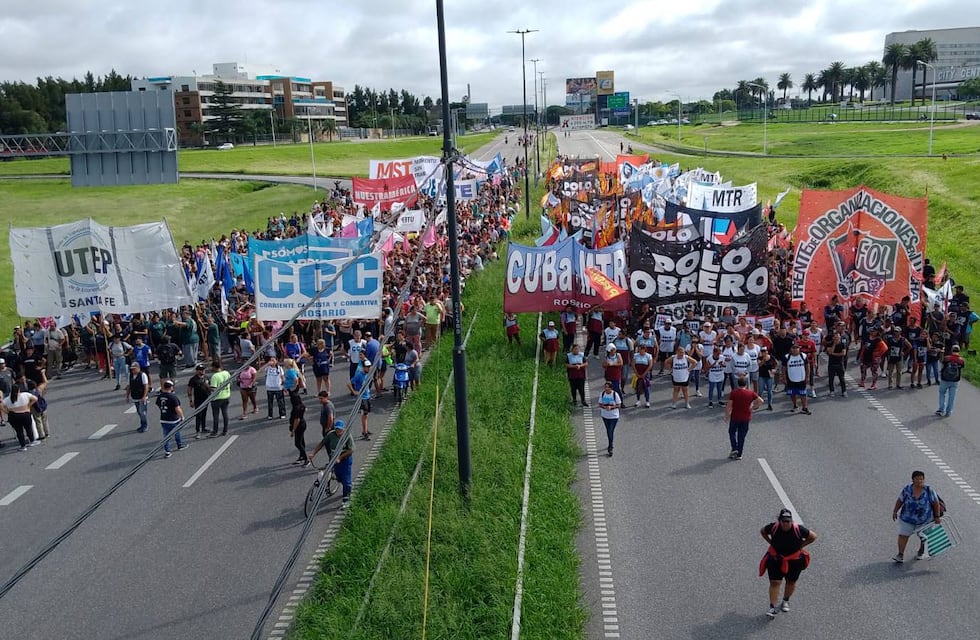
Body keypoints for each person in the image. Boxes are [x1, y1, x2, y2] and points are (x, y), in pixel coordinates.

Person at [760, 509, 817, 618]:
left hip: (794, 561)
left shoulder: (798, 529)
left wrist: (801, 545)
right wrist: (770, 542)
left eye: (788, 521)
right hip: (776, 559)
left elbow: (813, 536)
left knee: (791, 582)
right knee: (775, 582)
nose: (786, 523)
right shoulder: (773, 527)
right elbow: (762, 531)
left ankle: (785, 600)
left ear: (791, 521)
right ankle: (772, 607)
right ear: (779, 521)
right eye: (784, 521)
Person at [892, 470, 942, 562]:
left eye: (921, 479)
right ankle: (900, 554)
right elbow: (900, 500)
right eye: (917, 479)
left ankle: (921, 551)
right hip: (907, 519)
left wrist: (937, 516)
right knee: (903, 535)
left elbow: (936, 503)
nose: (920, 481)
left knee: (924, 537)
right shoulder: (907, 489)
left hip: (924, 520)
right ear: (913, 480)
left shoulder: (928, 490)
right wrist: (895, 511)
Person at [309, 419, 354, 509]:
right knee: (338, 477)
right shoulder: (331, 435)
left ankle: (346, 500)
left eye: (340, 429)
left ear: (344, 429)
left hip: (345, 460)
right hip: (334, 459)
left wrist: (340, 458)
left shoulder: (347, 436)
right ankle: (343, 484)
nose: (338, 431)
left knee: (346, 481)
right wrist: (313, 453)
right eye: (337, 429)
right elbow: (322, 443)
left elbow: (351, 450)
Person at [726, 377, 764, 460]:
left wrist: (727, 415)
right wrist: (754, 407)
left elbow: (729, 405)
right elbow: (761, 401)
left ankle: (734, 447)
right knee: (741, 435)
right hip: (746, 417)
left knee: (732, 432)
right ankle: (739, 454)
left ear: (737, 384)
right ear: (746, 384)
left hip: (735, 416)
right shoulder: (750, 393)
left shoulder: (734, 393)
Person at [155, 379, 188, 459]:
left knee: (166, 436)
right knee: (177, 432)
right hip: (173, 419)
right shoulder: (172, 397)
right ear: (171, 387)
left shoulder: (161, 396)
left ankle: (167, 451)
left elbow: (158, 404)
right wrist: (182, 416)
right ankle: (179, 445)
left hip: (163, 418)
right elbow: (177, 408)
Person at [1, 383, 39, 451]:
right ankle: (32, 441)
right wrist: (28, 406)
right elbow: (35, 399)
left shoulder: (8, 399)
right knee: (28, 428)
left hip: (14, 416)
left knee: (19, 431)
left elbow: (1, 405)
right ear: (19, 390)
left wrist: (7, 411)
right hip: (25, 414)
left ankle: (23, 446)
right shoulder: (25, 395)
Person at [936, 344, 964, 417]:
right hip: (955, 380)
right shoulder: (961, 360)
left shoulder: (946, 358)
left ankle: (941, 409)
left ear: (952, 350)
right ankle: (948, 412)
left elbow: (941, 362)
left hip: (945, 379)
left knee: (942, 393)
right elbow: (961, 368)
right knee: (952, 397)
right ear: (959, 351)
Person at [668, 345, 699, 409]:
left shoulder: (686, 357)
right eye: (681, 352)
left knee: (685, 391)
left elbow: (695, 362)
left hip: (684, 377)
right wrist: (670, 370)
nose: (682, 354)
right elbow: (666, 362)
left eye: (683, 352)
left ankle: (687, 403)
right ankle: (674, 403)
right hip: (676, 377)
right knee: (676, 390)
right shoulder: (673, 357)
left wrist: (689, 369)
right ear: (677, 352)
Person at [348, 363, 373, 440]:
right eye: (367, 367)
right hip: (362, 398)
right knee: (364, 415)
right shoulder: (359, 375)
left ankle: (365, 429)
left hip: (367, 396)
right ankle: (364, 433)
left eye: (369, 367)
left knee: (366, 414)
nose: (369, 369)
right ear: (364, 367)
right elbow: (349, 383)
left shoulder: (368, 374)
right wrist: (355, 392)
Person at [783, 344, 811, 415]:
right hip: (791, 379)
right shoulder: (787, 357)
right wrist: (784, 378)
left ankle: (805, 408)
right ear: (791, 349)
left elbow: (807, 367)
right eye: (793, 348)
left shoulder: (803, 356)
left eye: (797, 348)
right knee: (792, 394)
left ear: (799, 349)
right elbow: (783, 369)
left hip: (801, 379)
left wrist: (807, 377)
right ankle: (795, 405)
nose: (795, 349)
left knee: (803, 394)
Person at [597, 381, 622, 457]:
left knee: (610, 430)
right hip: (605, 415)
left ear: (611, 388)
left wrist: (611, 407)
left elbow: (619, 405)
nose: (606, 389)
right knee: (608, 430)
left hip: (613, 416)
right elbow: (600, 404)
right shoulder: (602, 394)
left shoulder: (615, 394)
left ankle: (610, 446)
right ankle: (610, 443)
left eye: (607, 387)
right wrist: (604, 407)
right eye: (605, 387)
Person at [208, 359, 232, 437]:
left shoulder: (215, 376)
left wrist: (207, 386)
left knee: (216, 415)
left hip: (217, 398)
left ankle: (215, 431)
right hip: (226, 396)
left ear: (215, 367)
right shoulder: (226, 373)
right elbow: (230, 382)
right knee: (225, 413)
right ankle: (225, 430)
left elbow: (213, 389)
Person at [125, 362, 150, 433]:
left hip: (142, 397)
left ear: (138, 368)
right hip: (135, 397)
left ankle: (145, 425)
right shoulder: (130, 376)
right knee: (139, 412)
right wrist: (127, 396)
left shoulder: (143, 375)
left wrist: (144, 396)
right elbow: (129, 386)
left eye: (134, 369)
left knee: (143, 412)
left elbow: (146, 386)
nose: (133, 371)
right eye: (132, 369)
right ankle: (142, 424)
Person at [288, 388, 310, 466]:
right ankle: (301, 456)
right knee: (301, 440)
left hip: (298, 426)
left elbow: (296, 420)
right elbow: (305, 409)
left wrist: (293, 430)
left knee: (297, 443)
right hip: (303, 424)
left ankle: (306, 459)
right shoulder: (302, 405)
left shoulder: (296, 408)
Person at [826, 331, 848, 397]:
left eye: (838, 337)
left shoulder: (843, 344)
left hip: (840, 363)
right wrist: (834, 345)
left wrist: (834, 354)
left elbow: (843, 353)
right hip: (831, 364)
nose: (837, 338)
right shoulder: (830, 344)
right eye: (835, 337)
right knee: (831, 378)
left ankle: (844, 391)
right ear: (833, 338)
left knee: (842, 379)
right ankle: (831, 391)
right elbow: (830, 352)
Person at [632, 342, 653, 408]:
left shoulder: (648, 356)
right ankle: (638, 400)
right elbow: (633, 364)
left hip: (645, 374)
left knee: (646, 387)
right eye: (639, 349)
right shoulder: (635, 355)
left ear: (644, 350)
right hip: (638, 373)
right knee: (638, 387)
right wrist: (636, 373)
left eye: (641, 349)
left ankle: (647, 401)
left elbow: (650, 365)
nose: (640, 351)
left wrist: (644, 374)